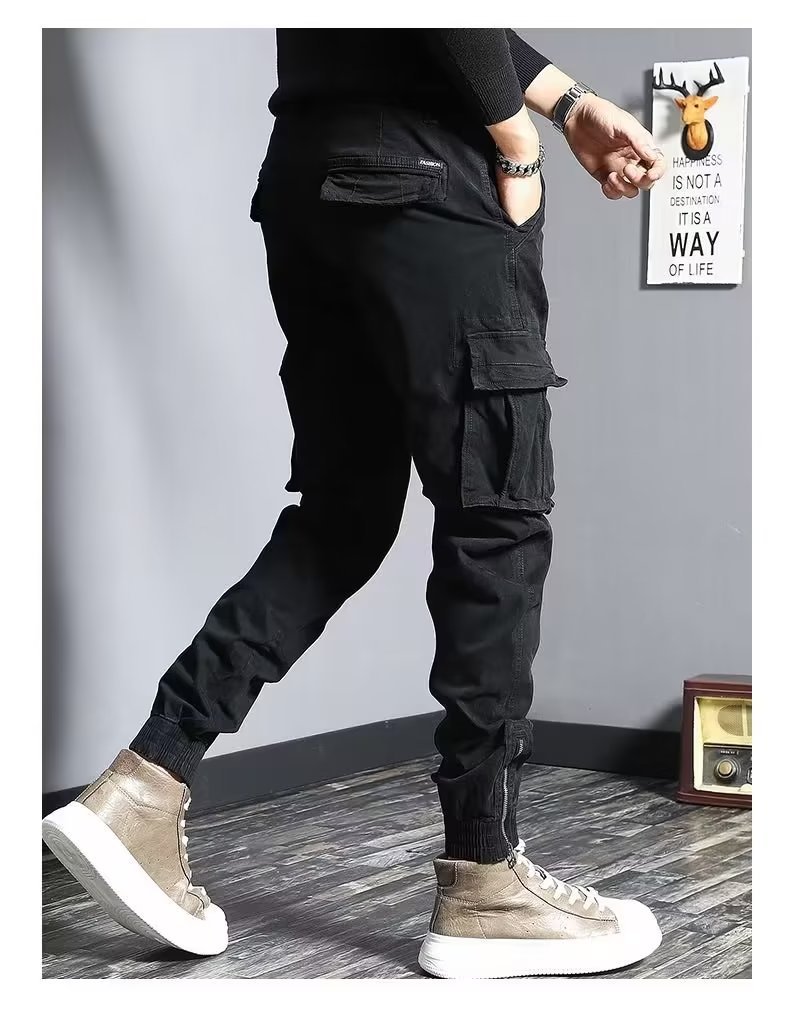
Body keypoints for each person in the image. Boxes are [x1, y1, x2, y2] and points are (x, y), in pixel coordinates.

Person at [43, 29, 666, 978]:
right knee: (497, 515)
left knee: (344, 514)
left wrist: (572, 104)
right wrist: (516, 141)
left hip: (312, 174)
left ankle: (146, 783)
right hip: (429, 173)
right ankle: (486, 880)